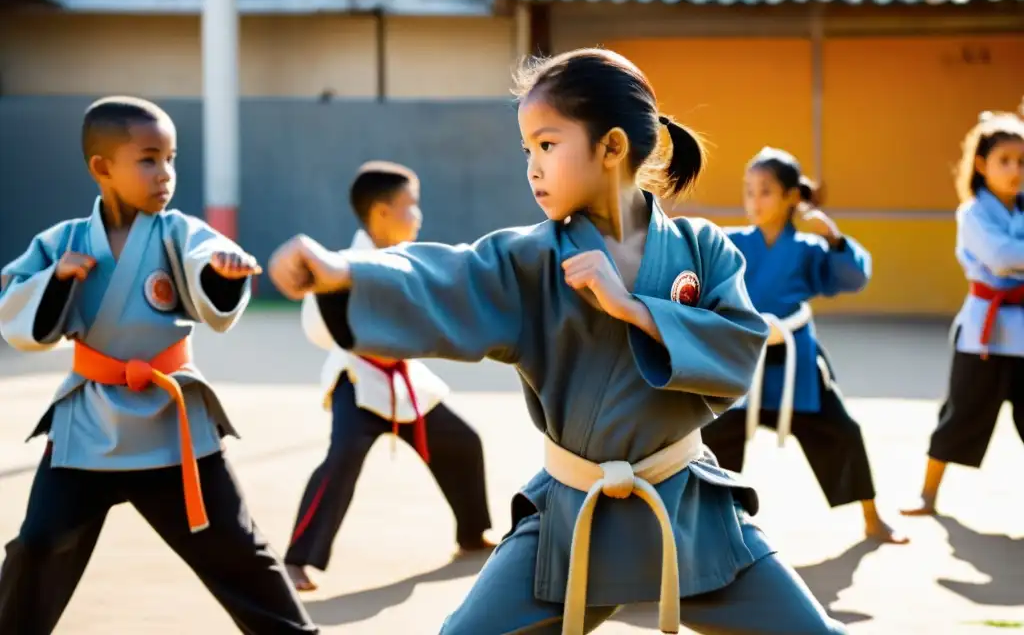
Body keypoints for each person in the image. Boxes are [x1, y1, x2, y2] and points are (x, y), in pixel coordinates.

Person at [268, 49, 847, 634]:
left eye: (547, 145)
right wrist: (346, 273)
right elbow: (447, 276)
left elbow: (740, 347)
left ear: (612, 147)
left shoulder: (702, 248)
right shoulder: (530, 258)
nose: (532, 167)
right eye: (528, 150)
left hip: (692, 515)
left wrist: (636, 310)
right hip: (570, 521)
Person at [0, 97, 317, 634]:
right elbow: (15, 306)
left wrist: (224, 271)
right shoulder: (63, 242)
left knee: (240, 551)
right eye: (148, 159)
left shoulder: (178, 233)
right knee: (38, 544)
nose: (164, 174)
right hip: (90, 424)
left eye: (171, 159)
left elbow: (205, 264)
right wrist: (56, 279)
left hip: (173, 427)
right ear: (102, 167)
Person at [284, 161, 494, 592]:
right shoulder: (340, 265)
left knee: (463, 443)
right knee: (341, 462)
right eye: (410, 206)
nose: (418, 215)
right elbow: (317, 325)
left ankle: (472, 533)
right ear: (381, 212)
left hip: (406, 384)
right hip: (358, 384)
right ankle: (296, 561)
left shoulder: (408, 258)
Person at [701, 147, 907, 545]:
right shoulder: (732, 243)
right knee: (711, 437)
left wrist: (831, 235)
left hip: (796, 363)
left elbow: (853, 277)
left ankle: (872, 517)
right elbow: (695, 264)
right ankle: (718, 526)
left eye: (764, 191)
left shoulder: (810, 249)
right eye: (748, 191)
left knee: (843, 430)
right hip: (742, 361)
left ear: (792, 197)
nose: (753, 201)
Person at [901, 107, 1024, 517]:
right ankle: (928, 493)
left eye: (1022, 161)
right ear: (980, 165)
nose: (1015, 170)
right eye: (1005, 161)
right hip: (984, 334)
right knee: (960, 415)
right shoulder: (972, 212)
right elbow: (1002, 258)